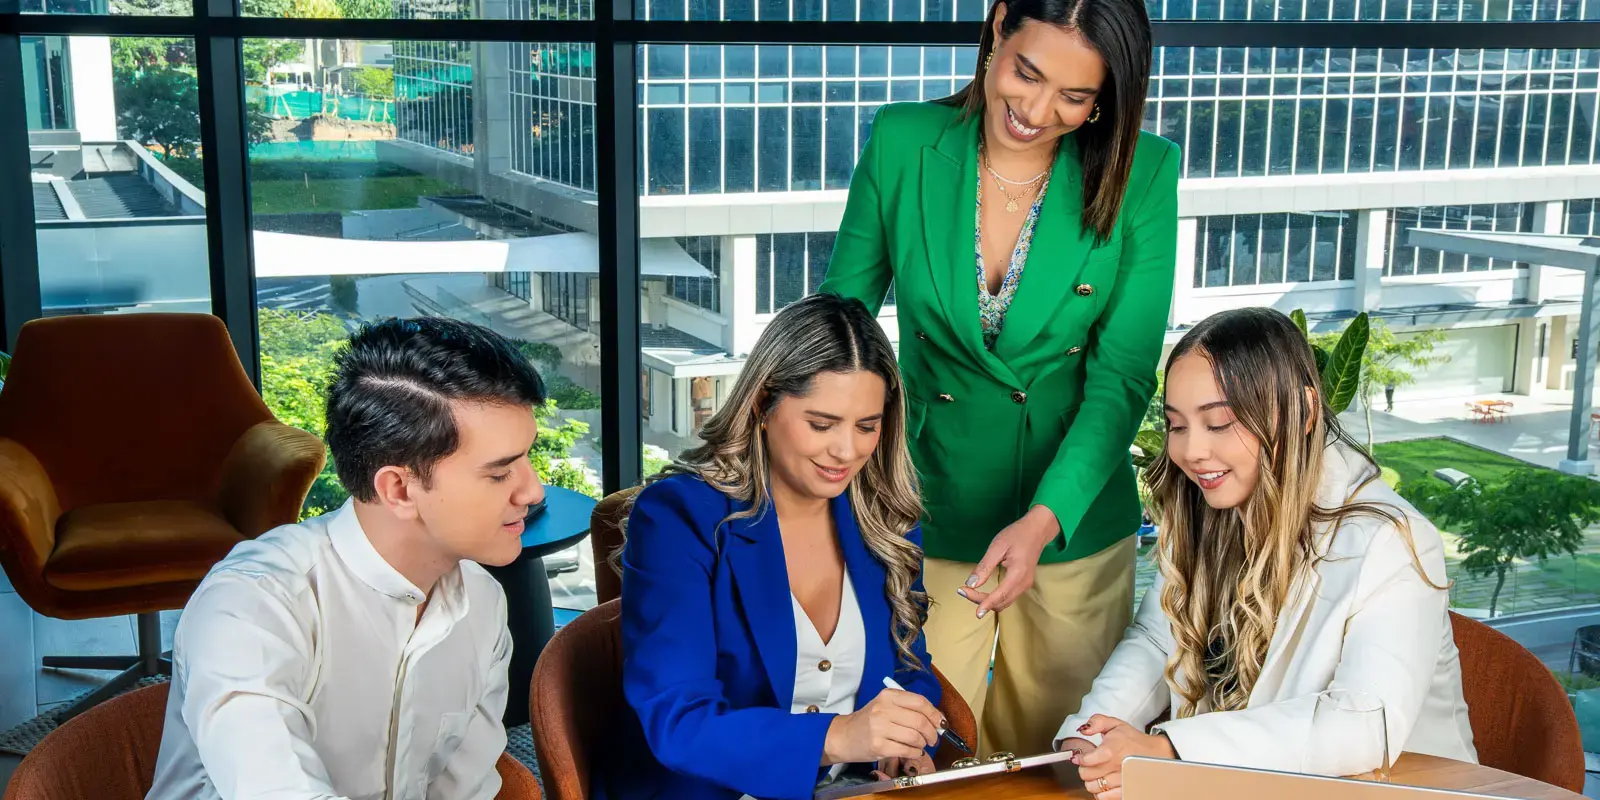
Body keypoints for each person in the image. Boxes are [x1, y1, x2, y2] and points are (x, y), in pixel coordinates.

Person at [819, 0, 1179, 755]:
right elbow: (838, 334)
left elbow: (1121, 377)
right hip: (928, 499)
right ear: (998, 26)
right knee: (920, 743)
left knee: (1060, 755)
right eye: (1026, 72)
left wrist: (1045, 519)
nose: (1037, 110)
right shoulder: (902, 141)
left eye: (1075, 98)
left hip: (1072, 516)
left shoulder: (1142, 171)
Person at [1054, 307, 1477, 800]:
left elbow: (1364, 726)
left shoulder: (1392, 540)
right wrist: (1088, 735)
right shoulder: (1206, 508)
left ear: (1304, 411)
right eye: (1177, 425)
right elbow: (1156, 639)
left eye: (1219, 423)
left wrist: (1169, 749)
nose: (1191, 451)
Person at [147, 317, 547, 800]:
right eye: (500, 473)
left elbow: (465, 791)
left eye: (527, 458)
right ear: (398, 488)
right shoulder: (254, 603)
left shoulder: (482, 603)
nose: (533, 490)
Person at [608, 293, 946, 800]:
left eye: (867, 426)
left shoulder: (884, 516)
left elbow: (909, 667)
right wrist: (837, 737)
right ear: (763, 404)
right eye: (822, 424)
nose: (847, 451)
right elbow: (678, 722)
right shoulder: (679, 516)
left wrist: (906, 738)